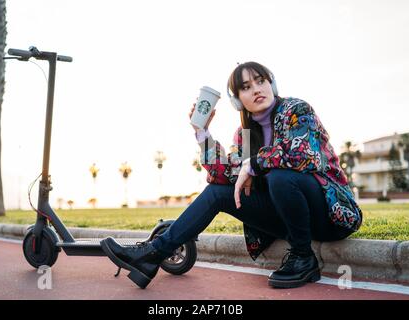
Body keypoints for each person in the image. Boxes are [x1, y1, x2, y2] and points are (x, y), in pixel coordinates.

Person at [100, 61, 363, 289]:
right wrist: (202, 133)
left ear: (272, 84)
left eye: (260, 81)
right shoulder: (245, 134)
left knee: (280, 176)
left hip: (329, 214)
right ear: (238, 99)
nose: (256, 89)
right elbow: (223, 177)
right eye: (246, 87)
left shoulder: (297, 110)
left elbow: (303, 156)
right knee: (217, 194)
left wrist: (253, 165)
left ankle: (304, 259)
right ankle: (152, 256)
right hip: (286, 216)